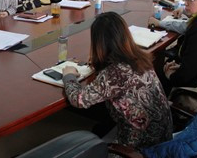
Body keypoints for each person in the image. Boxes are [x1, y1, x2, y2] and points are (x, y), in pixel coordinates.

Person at [62, 12, 172, 149]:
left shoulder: (115, 73)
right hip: (163, 136)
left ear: (99, 42)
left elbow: (78, 100)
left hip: (141, 147)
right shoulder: (139, 58)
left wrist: (68, 76)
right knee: (100, 127)